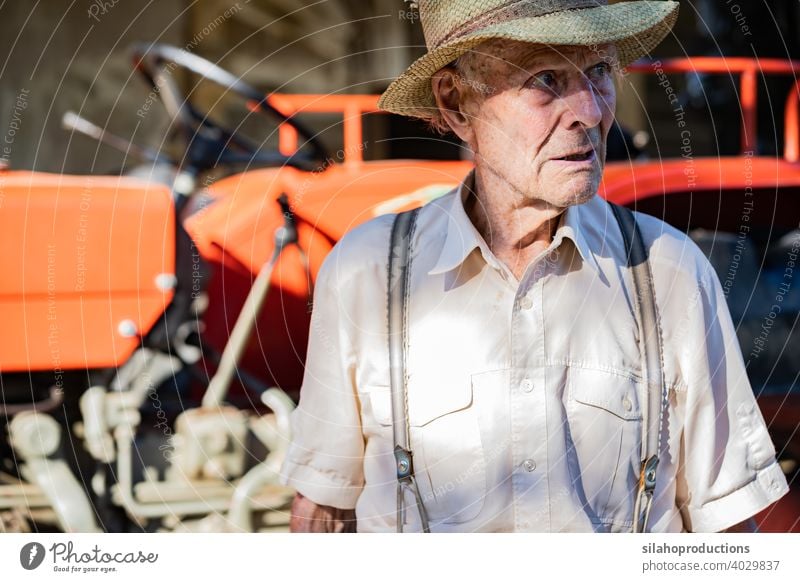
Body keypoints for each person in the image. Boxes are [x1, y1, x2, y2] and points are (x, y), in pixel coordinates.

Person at [279, 0, 789, 532]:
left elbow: (726, 523)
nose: (591, 113)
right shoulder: (367, 273)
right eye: (546, 79)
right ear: (456, 105)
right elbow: (324, 511)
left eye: (598, 72)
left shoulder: (669, 274)